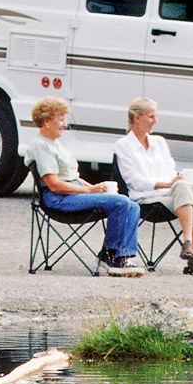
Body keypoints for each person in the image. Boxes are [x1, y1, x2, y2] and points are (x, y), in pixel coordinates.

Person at [27, 96, 144, 277]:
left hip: (71, 192)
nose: (65, 125)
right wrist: (89, 190)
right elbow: (54, 184)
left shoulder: (54, 142)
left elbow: (73, 177)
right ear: (47, 121)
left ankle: (118, 255)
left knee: (132, 205)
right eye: (61, 120)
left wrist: (95, 187)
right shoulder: (41, 146)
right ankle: (113, 256)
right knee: (120, 203)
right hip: (58, 199)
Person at [113, 97, 193, 275]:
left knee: (188, 192)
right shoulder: (124, 145)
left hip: (168, 194)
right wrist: (164, 184)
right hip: (144, 197)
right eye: (151, 117)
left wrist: (175, 180)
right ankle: (192, 254)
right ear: (136, 118)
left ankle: (189, 248)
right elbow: (132, 180)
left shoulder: (159, 142)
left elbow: (170, 169)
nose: (155, 121)